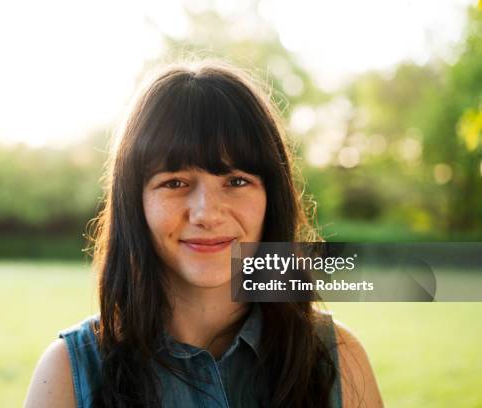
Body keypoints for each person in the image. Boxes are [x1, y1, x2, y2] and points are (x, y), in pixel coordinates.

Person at [24, 60, 384, 408]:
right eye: (175, 182)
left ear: (271, 199)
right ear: (135, 203)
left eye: (236, 181)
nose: (207, 213)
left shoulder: (337, 358)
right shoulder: (68, 375)